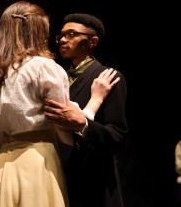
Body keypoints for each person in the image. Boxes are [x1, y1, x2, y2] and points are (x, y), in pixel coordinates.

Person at [0, 1, 119, 207]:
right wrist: (95, 101)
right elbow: (66, 127)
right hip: (35, 162)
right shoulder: (43, 67)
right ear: (38, 30)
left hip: (2, 165)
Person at [43, 13, 128, 207]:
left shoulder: (108, 77)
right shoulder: (58, 78)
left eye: (71, 34)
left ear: (92, 41)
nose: (63, 39)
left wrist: (83, 125)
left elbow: (117, 136)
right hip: (59, 177)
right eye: (61, 36)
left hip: (93, 183)